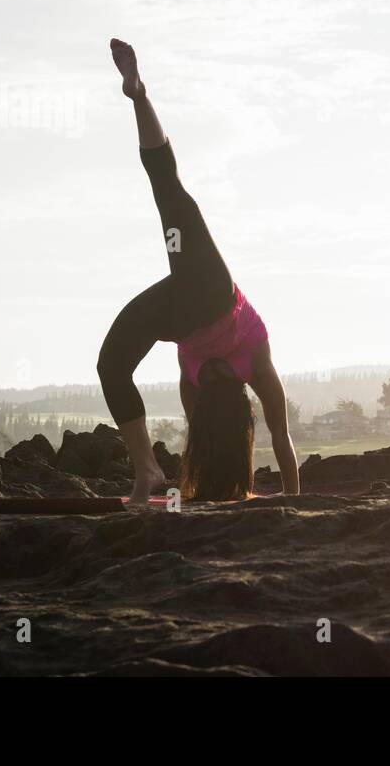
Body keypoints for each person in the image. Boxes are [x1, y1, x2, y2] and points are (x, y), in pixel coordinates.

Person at [96, 38, 299, 503]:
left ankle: (147, 469)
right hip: (190, 301)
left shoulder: (243, 369)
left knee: (168, 190)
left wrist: (291, 499)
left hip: (198, 292)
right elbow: (282, 441)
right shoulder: (213, 381)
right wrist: (292, 502)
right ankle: (145, 470)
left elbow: (279, 438)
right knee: (167, 192)